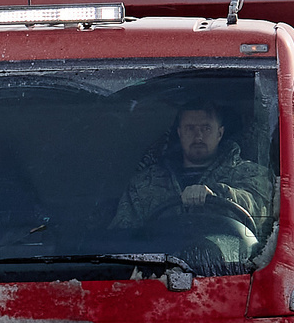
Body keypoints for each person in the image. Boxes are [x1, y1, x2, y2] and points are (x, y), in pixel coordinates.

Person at [109, 102, 274, 248]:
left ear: (220, 133)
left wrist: (218, 195)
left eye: (206, 128)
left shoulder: (251, 174)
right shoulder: (145, 184)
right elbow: (122, 238)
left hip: (233, 275)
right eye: (190, 128)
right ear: (179, 133)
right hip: (156, 275)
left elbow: (259, 210)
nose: (198, 136)